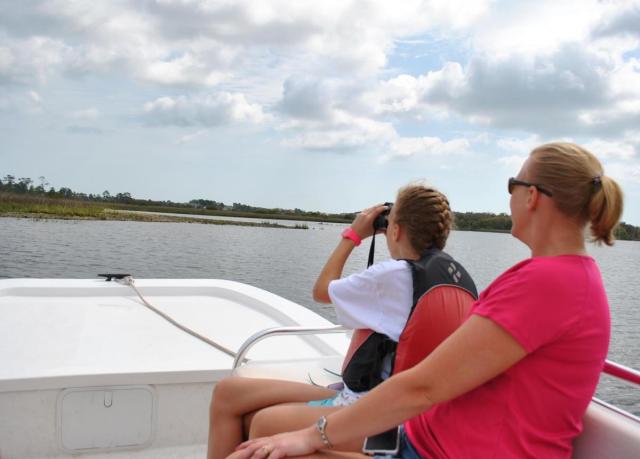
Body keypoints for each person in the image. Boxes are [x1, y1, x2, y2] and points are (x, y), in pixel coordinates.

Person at [228, 142, 623, 459]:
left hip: (440, 448)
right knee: (270, 433)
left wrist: (313, 436)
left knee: (267, 443)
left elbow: (424, 387)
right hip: (427, 436)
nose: (511, 197)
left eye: (511, 185)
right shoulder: (569, 278)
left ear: (533, 196)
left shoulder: (546, 283)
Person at [207, 184, 477, 459]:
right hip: (395, 412)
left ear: (395, 230)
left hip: (375, 417)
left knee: (264, 422)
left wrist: (353, 235)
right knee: (230, 392)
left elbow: (322, 290)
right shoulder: (459, 280)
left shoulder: (393, 275)